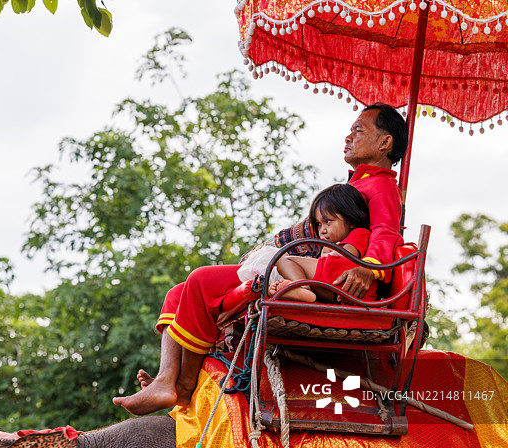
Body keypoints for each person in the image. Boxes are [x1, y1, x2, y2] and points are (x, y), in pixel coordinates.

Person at [112, 103, 407, 416]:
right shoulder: (357, 183)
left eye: (358, 130)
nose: (347, 137)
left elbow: (387, 234)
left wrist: (369, 271)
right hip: (305, 269)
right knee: (177, 292)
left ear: (384, 143)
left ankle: (178, 385)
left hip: (324, 281)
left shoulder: (382, 185)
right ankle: (168, 381)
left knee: (199, 280)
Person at [270, 183, 376, 303]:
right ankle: (301, 290)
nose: (322, 230)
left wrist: (330, 253)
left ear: (351, 220)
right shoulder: (339, 242)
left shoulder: (360, 233)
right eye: (319, 224)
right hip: (338, 289)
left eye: (328, 221)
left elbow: (348, 255)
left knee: (284, 260)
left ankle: (302, 289)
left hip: (346, 281)